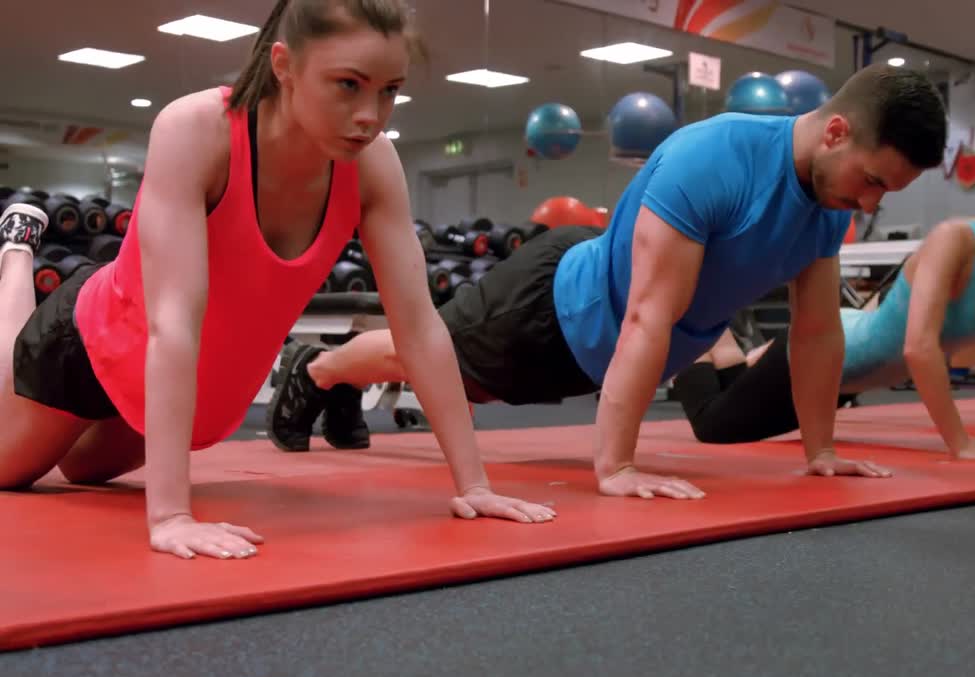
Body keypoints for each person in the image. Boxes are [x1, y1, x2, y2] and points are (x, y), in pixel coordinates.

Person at [0, 0, 558, 562]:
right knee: (9, 474)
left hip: (186, 394)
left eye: (389, 90)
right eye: (348, 85)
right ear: (284, 66)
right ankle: (19, 253)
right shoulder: (197, 130)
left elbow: (419, 329)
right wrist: (171, 515)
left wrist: (473, 484)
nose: (372, 114)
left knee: (81, 471)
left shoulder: (372, 165)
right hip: (94, 344)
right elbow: (172, 324)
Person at [268, 63, 950, 498]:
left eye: (883, 195)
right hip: (551, 307)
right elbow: (650, 316)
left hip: (599, 348)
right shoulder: (714, 159)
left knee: (443, 373)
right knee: (429, 360)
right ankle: (319, 369)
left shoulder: (826, 209)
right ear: (835, 132)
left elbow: (818, 332)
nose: (869, 206)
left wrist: (822, 450)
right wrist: (616, 466)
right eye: (872, 182)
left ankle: (336, 380)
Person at [672, 158, 975, 460]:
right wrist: (960, 443)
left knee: (740, 411)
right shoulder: (957, 240)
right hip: (828, 351)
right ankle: (693, 331)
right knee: (714, 428)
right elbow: (919, 347)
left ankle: (720, 339)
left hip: (844, 380)